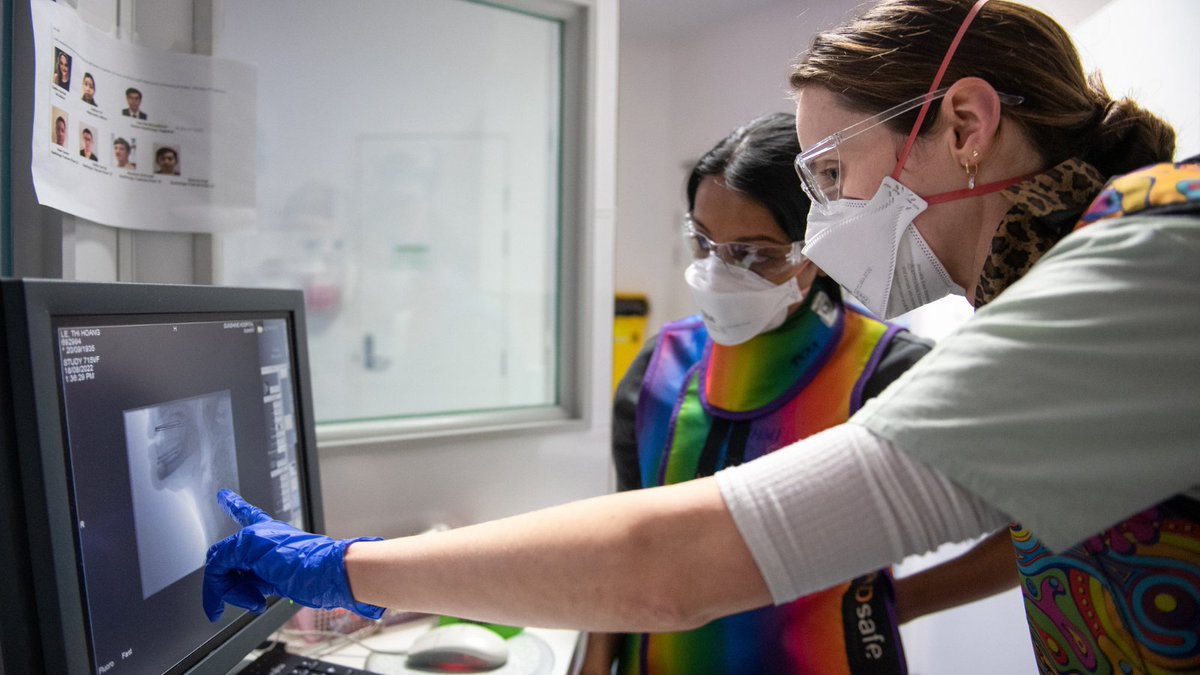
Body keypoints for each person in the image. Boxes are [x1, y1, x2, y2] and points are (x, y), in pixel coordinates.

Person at [202, 2, 1199, 673]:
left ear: (966, 123)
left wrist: (347, 568)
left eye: (834, 176)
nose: (827, 221)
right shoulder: (1080, 277)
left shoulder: (1143, 264)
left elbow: (675, 561)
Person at [579, 113, 1015, 675]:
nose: (718, 271)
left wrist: (896, 604)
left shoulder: (886, 371)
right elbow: (623, 544)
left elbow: (1035, 522)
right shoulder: (661, 366)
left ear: (816, 244)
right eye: (704, 243)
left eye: (754, 253)